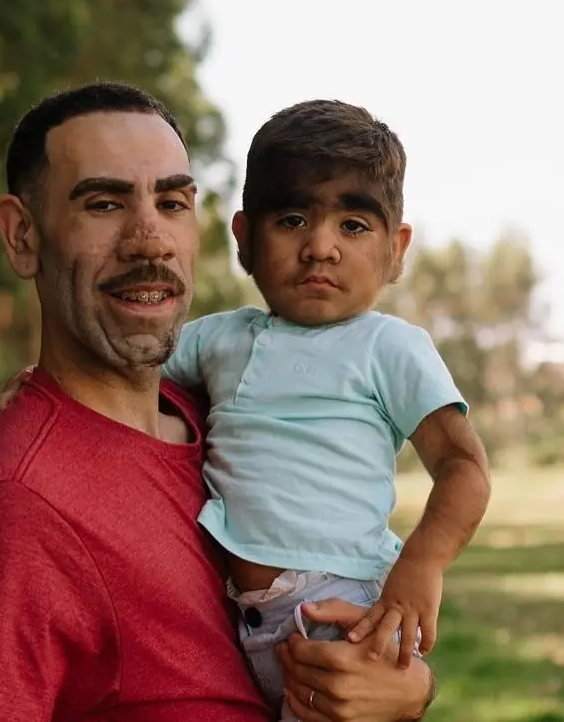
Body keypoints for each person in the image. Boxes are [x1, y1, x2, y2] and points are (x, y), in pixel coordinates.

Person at [0, 81, 438, 721]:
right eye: (104, 204)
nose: (151, 241)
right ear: (22, 234)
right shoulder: (18, 510)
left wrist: (409, 688)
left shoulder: (225, 408)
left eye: (171, 203)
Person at [156, 100, 491, 719]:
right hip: (238, 618)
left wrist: (421, 564)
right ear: (244, 239)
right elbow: (121, 371)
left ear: (397, 249)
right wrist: (37, 384)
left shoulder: (389, 347)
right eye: (292, 220)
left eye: (354, 226)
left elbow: (464, 468)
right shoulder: (216, 339)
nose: (320, 248)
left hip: (342, 609)